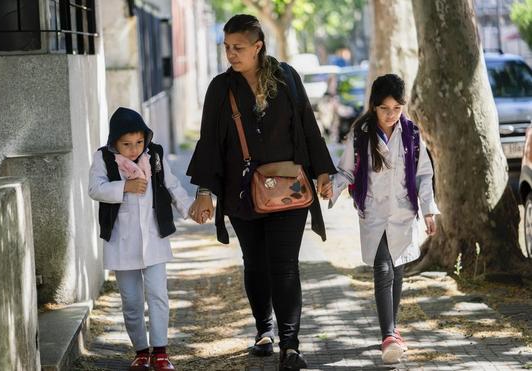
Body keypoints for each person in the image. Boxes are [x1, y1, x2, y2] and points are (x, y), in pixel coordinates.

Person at [186, 14, 336, 371]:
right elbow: (209, 142)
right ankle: (263, 331)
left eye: (238, 47)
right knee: (255, 264)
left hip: (289, 190)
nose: (231, 54)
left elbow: (308, 128)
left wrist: (323, 173)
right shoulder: (220, 88)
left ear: (258, 46)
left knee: (284, 266)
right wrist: (205, 191)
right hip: (241, 193)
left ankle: (291, 345)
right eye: (226, 47)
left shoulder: (286, 78)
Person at [329, 74, 439, 364]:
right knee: (383, 267)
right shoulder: (361, 133)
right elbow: (347, 171)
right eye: (384, 108)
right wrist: (333, 187)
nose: (391, 115)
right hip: (374, 213)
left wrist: (429, 209)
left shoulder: (412, 134)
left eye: (396, 108)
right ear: (373, 106)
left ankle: (393, 330)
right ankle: (388, 334)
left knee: (398, 268)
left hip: (403, 213)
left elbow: (424, 174)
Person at [88, 107, 193, 371]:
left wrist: (190, 208)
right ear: (114, 142)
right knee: (132, 301)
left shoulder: (154, 154)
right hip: (121, 243)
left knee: (158, 295)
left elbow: (172, 185)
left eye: (138, 142)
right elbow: (95, 189)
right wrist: (124, 186)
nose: (134, 149)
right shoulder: (104, 159)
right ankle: (141, 352)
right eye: (126, 144)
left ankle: (160, 352)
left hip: (154, 238)